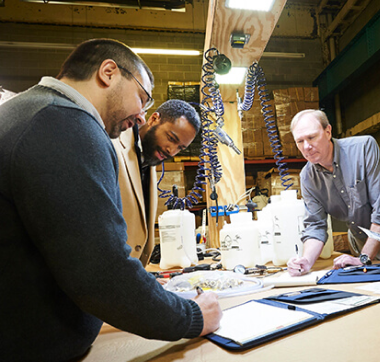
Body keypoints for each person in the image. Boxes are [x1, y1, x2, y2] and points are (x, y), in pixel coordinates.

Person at [0, 38, 221, 362]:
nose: (142, 116)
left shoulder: (29, 112)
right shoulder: (66, 125)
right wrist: (192, 316)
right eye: (142, 98)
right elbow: (102, 273)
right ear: (108, 72)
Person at [286, 109, 380, 276]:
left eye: (311, 137)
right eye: (300, 141)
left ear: (328, 132)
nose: (306, 146)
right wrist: (306, 260)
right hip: (359, 239)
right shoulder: (307, 177)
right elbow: (315, 225)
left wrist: (364, 258)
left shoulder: (363, 148)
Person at [113, 99, 200, 266]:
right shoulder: (114, 145)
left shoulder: (150, 159)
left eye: (180, 148)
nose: (171, 151)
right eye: (171, 138)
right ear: (153, 119)